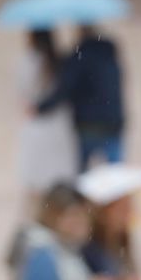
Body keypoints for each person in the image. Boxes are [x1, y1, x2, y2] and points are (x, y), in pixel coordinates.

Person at [35, 24, 126, 171]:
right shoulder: (110, 55)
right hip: (113, 123)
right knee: (116, 175)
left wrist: (41, 108)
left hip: (87, 124)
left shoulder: (78, 57)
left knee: (83, 178)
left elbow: (65, 89)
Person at [16, 29, 79, 200]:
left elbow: (22, 92)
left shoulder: (28, 61)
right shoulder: (62, 61)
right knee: (59, 178)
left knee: (36, 181)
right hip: (60, 124)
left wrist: (37, 106)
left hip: (36, 124)